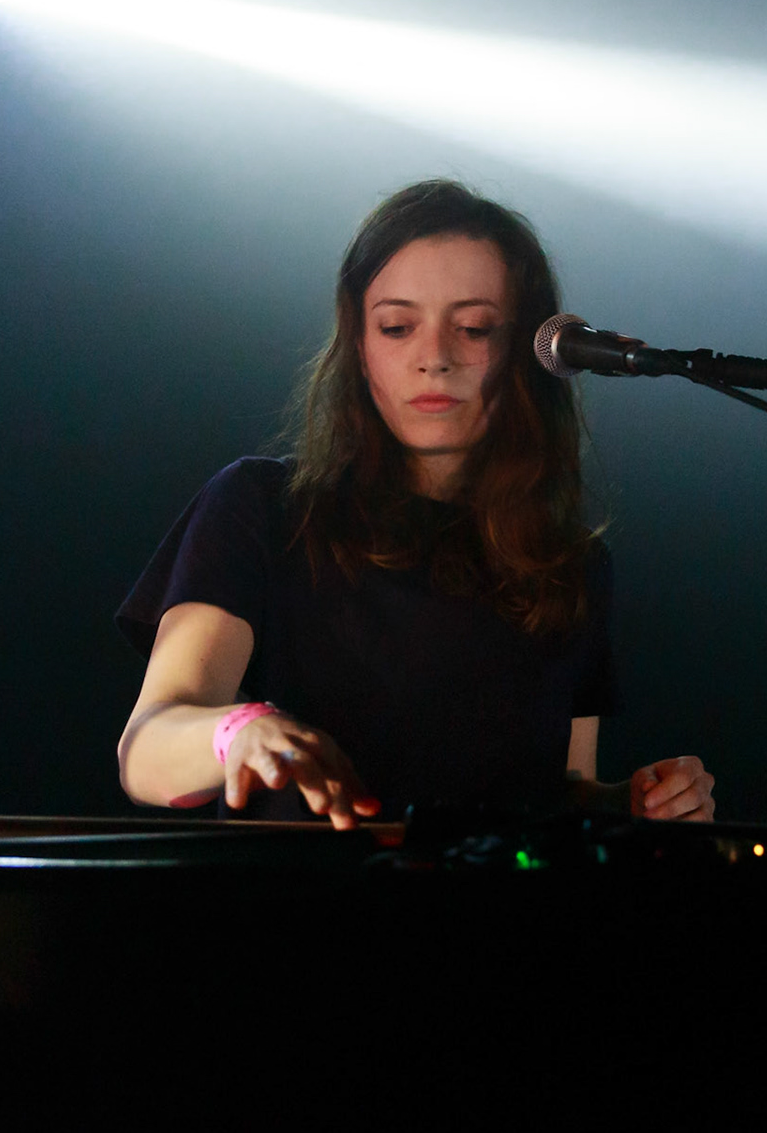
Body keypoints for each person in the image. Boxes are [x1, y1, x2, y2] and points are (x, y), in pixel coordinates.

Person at [114, 180, 714, 828]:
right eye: (398, 326)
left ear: (526, 353)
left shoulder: (571, 562)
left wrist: (634, 804)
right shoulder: (264, 506)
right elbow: (146, 749)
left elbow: (560, 791)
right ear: (360, 346)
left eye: (475, 327)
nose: (434, 357)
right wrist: (239, 733)